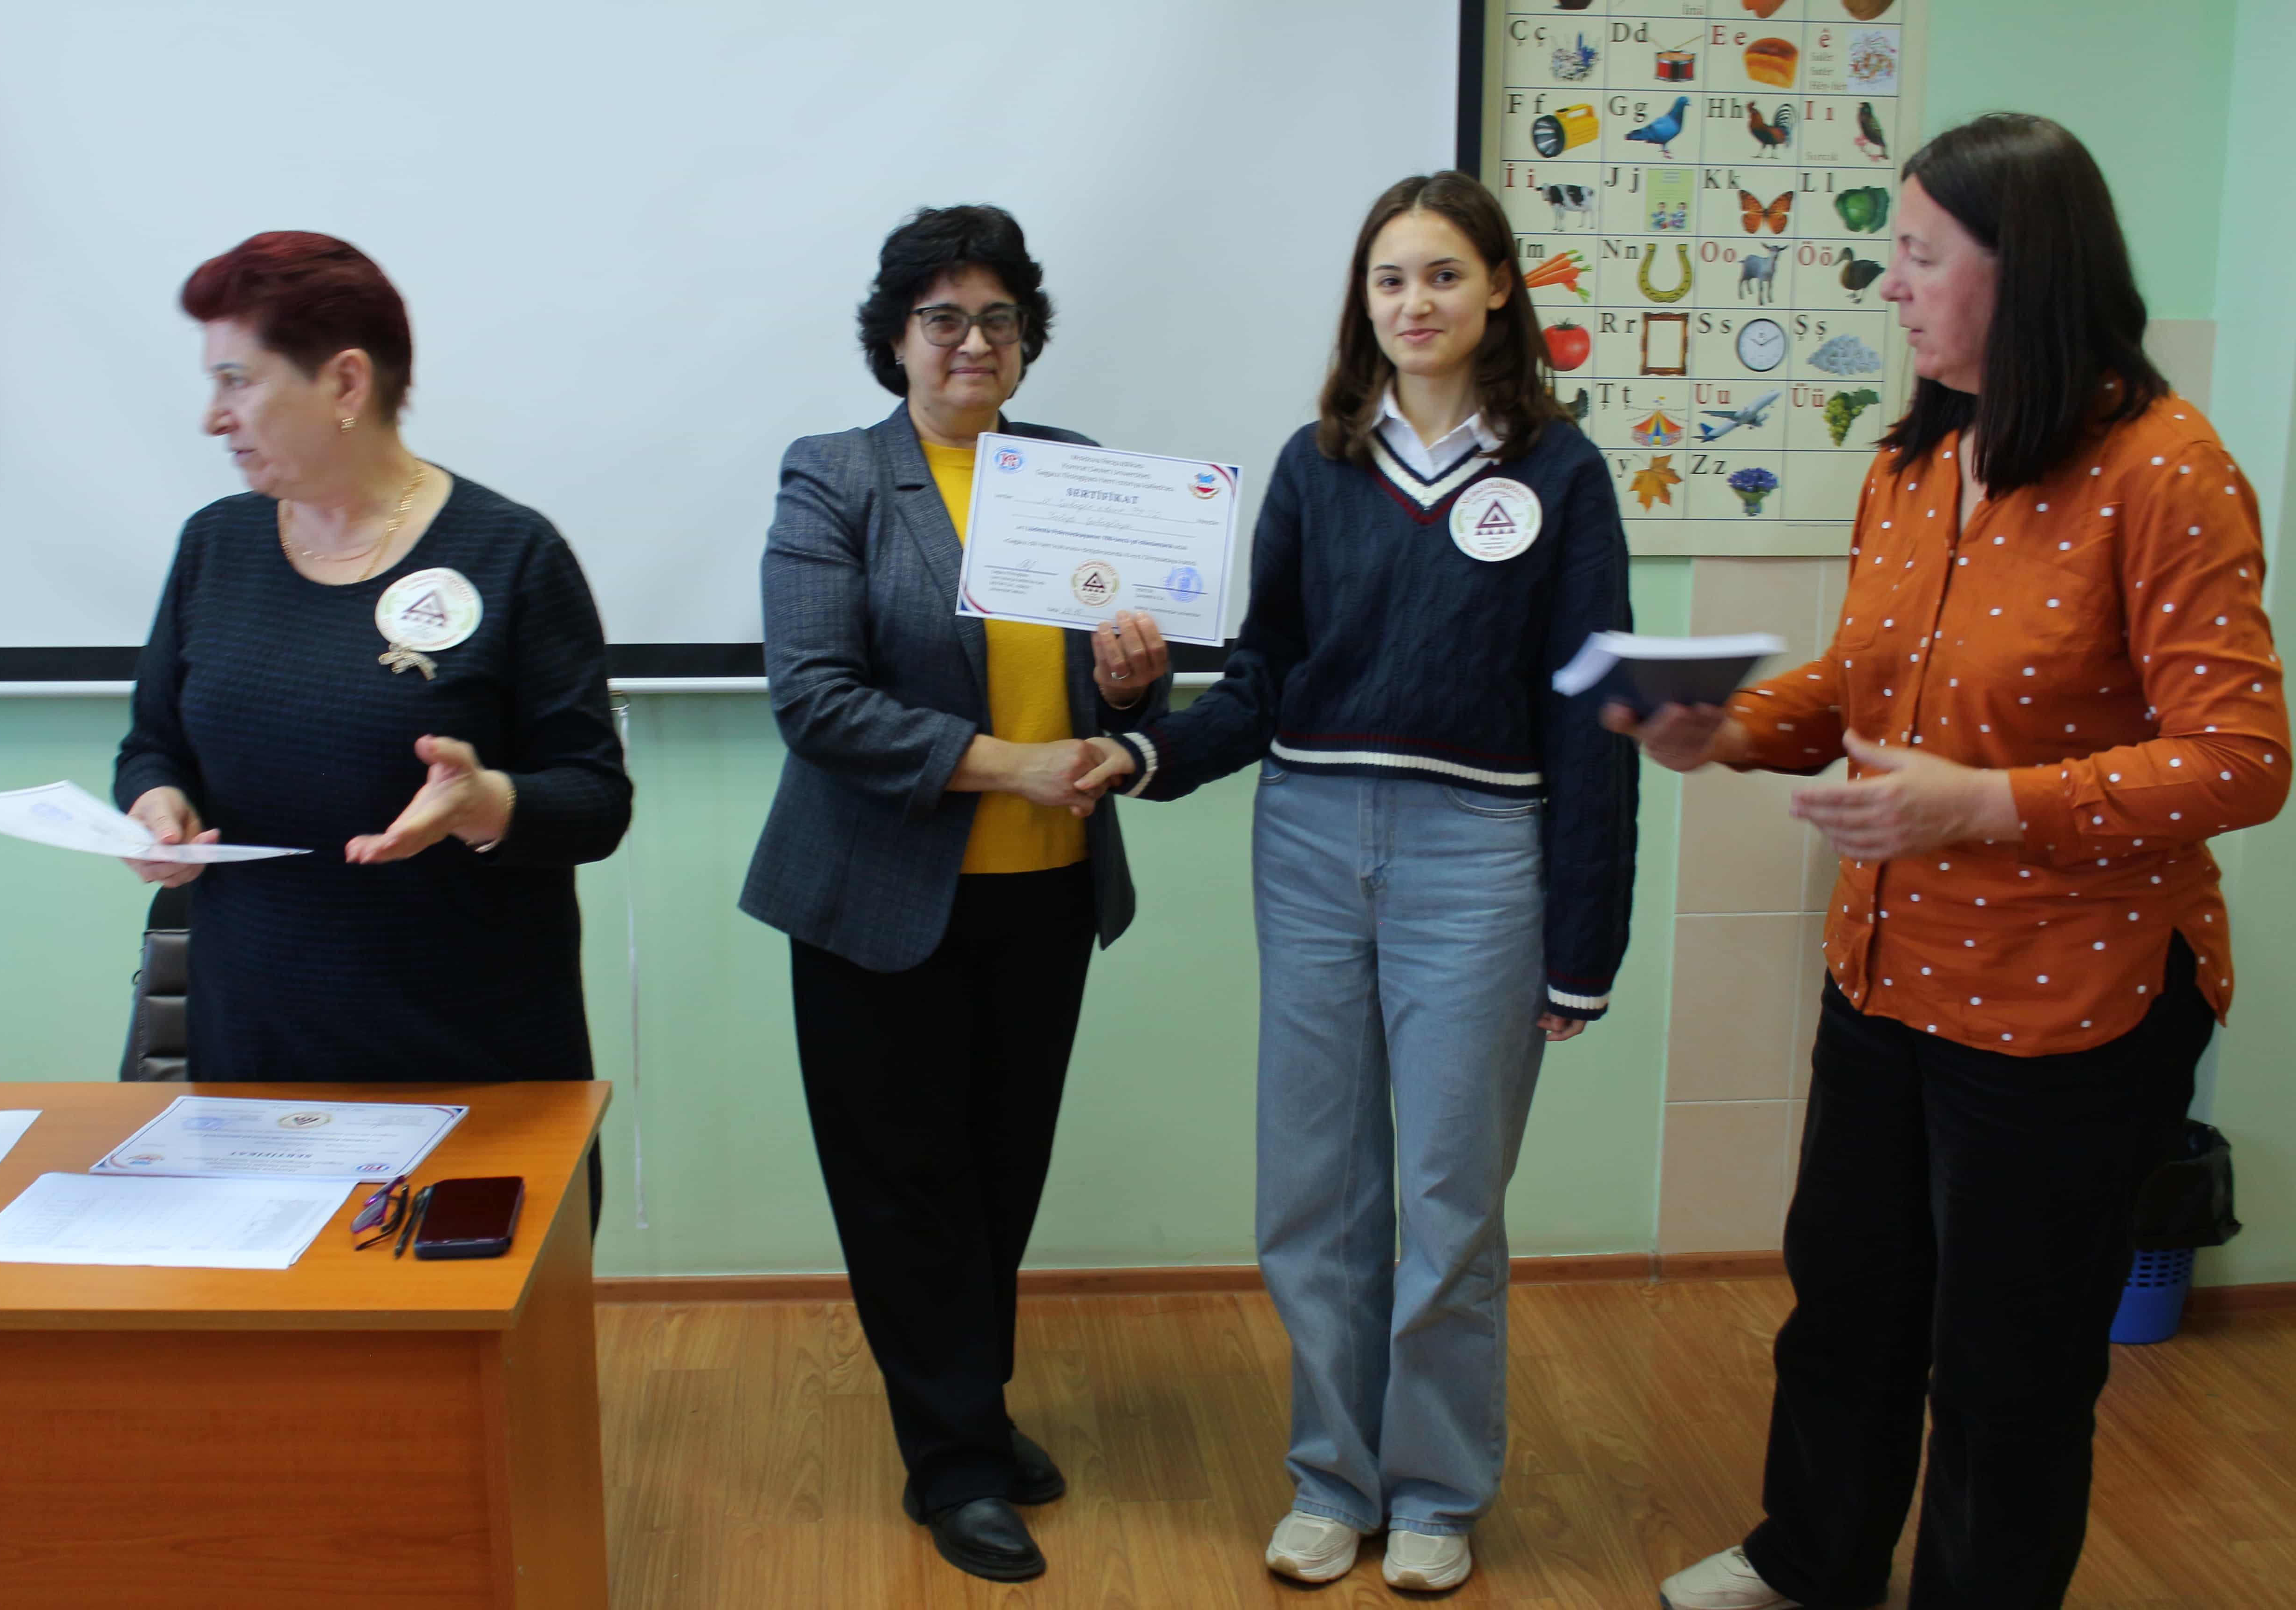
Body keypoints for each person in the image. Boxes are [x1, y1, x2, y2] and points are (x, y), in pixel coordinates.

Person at [1630, 116, 2288, 1610]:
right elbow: (1867, 683)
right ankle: (1812, 1562)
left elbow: (2243, 758)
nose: (1893, 286)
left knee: (2010, 1366)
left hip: (2071, 1003)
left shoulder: (2167, 470)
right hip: (1886, 970)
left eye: (1922, 256)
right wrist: (1726, 727)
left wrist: (1990, 807)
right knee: (1846, 1304)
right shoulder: (1918, 460)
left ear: (2026, 268)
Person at [1077, 171, 1637, 1592]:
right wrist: (1146, 750)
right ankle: (1334, 1477)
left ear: (1499, 288)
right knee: (1314, 1190)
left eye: (1444, 274)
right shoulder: (1318, 461)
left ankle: (1436, 1492)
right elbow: (1265, 676)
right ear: (1364, 301)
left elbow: (1595, 713)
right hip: (1314, 841)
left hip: (1482, 854)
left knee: (1450, 1199)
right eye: (1391, 279)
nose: (1415, 302)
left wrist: (1587, 944)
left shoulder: (1561, 475)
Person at [737, 205, 1170, 1585]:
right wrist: (1004, 766)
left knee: (1000, 1173)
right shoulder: (837, 477)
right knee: (904, 1189)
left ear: (1026, 341)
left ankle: (967, 1405)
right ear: (897, 340)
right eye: (942, 319)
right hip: (877, 903)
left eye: (997, 319)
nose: (971, 342)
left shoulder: (1076, 475)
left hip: (1046, 896)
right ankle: (955, 1464)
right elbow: (814, 699)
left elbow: (1122, 697)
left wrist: (1133, 685)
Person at [115, 232, 632, 1229]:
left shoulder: (512, 554)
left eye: (237, 380)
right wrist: (157, 803)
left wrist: (487, 803)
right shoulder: (216, 546)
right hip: (252, 1057)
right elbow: (153, 746)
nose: (213, 416)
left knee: (460, 1325)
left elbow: (596, 802)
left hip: (467, 1063)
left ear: (346, 382)